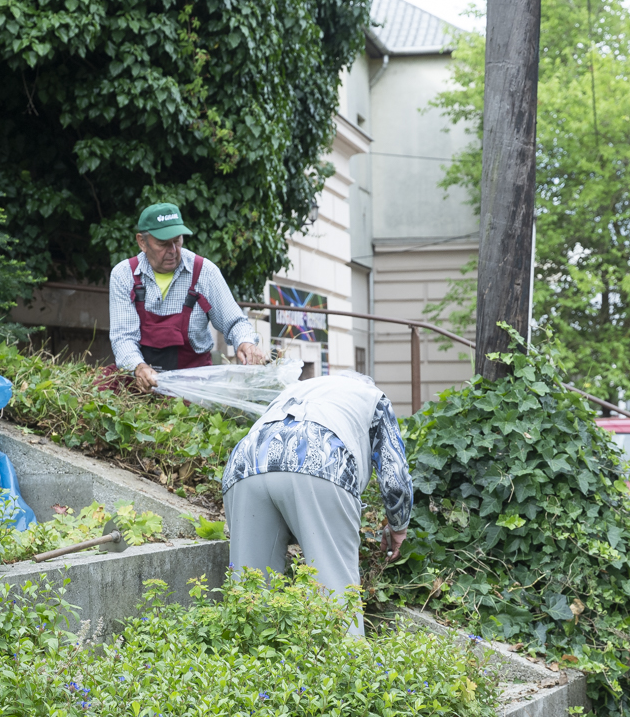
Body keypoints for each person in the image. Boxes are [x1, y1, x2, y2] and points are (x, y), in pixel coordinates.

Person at [221, 371, 411, 636]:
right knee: (336, 602)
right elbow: (395, 475)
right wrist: (398, 525)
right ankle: (347, 669)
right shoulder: (372, 397)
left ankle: (245, 671)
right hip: (320, 459)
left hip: (246, 463)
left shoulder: (297, 390)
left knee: (250, 600)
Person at [108, 202, 266, 392]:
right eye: (163, 244)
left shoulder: (204, 272)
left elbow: (234, 322)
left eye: (177, 241)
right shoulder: (124, 275)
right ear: (142, 242)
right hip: (140, 383)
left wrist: (246, 342)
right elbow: (123, 338)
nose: (173, 250)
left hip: (194, 384)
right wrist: (139, 368)